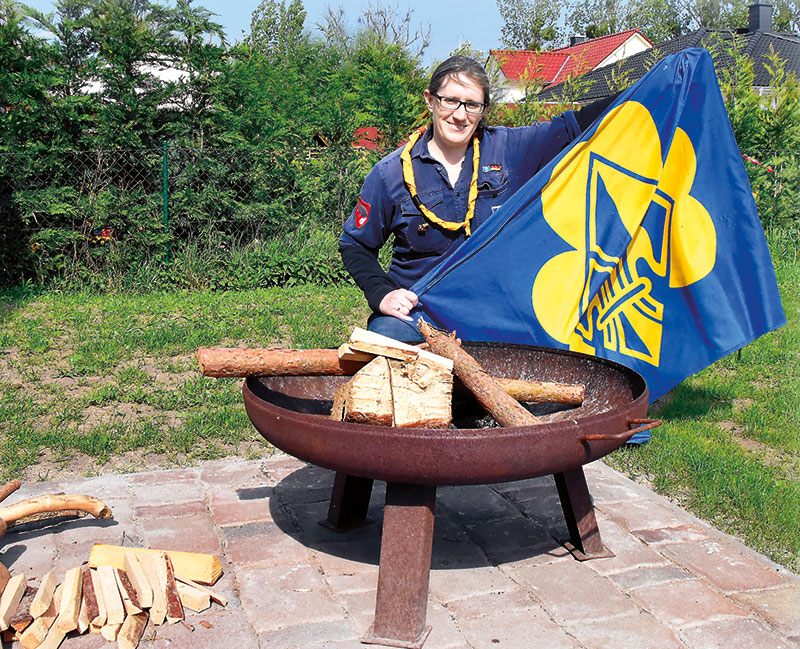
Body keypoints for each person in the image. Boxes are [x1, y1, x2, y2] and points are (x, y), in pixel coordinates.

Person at [339, 55, 615, 342]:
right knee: (385, 343)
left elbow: (572, 127)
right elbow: (354, 244)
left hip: (499, 314)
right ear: (430, 100)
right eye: (450, 101)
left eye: (472, 105)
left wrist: (657, 83)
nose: (460, 115)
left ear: (483, 109)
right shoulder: (391, 173)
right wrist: (382, 293)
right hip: (418, 316)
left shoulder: (508, 149)